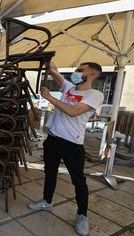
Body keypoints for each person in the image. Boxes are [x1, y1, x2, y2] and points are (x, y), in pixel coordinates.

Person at [28, 61, 104, 236]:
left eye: (80, 70)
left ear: (92, 74)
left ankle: (82, 215)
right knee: (50, 172)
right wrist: (47, 57)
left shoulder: (95, 95)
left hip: (72, 143)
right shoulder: (69, 87)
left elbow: (73, 111)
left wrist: (50, 98)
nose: (76, 73)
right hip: (53, 139)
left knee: (78, 180)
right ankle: (47, 201)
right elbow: (54, 70)